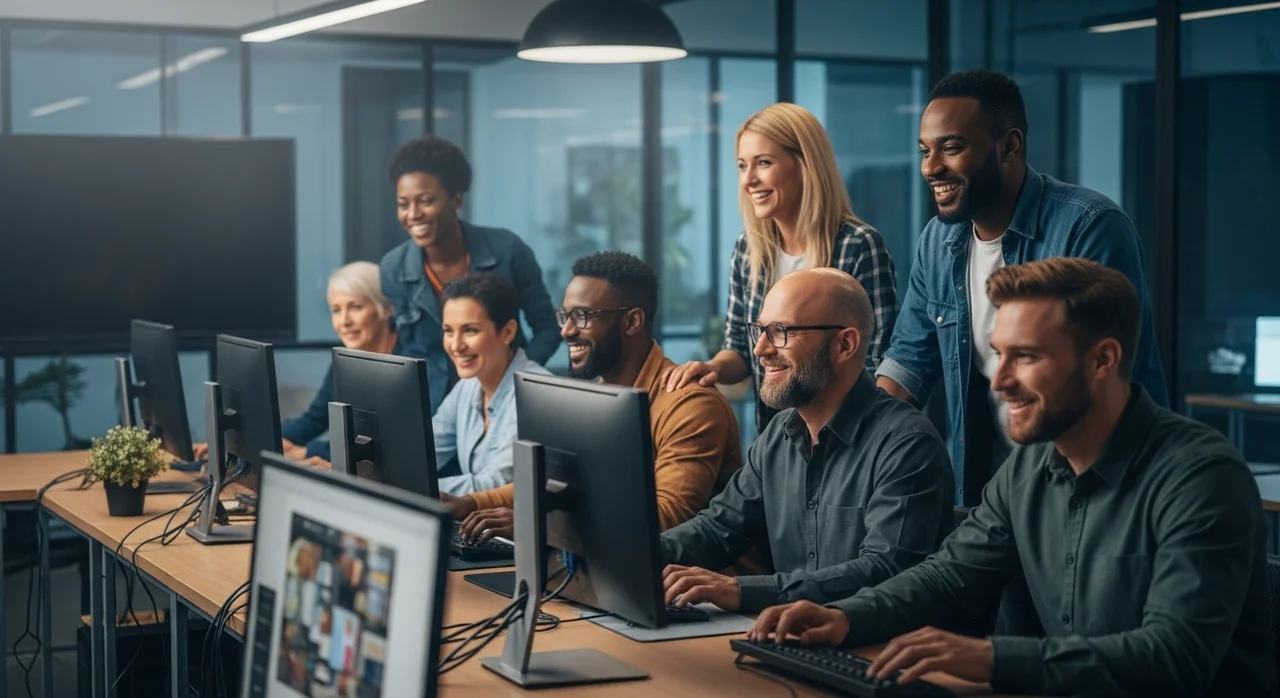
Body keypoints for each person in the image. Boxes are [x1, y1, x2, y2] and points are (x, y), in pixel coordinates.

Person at [749, 258, 1277, 698]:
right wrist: (843, 618)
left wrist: (993, 657)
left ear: (1103, 360)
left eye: (1025, 357)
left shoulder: (1201, 477)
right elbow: (947, 577)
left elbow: (1173, 658)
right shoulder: (1027, 468)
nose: (999, 382)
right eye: (999, 355)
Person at [875, 69, 1167, 506]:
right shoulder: (938, 241)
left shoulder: (1089, 227)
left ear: (1009, 145)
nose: (931, 168)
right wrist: (858, 444)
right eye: (925, 151)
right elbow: (909, 363)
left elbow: (1108, 380)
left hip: (1099, 488)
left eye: (951, 148)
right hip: (993, 492)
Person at [659, 268, 952, 614]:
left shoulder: (907, 444)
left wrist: (742, 591)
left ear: (845, 344)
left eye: (781, 332)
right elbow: (717, 529)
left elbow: (886, 572)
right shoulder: (778, 435)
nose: (760, 349)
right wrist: (628, 555)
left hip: (881, 653)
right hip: (793, 639)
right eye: (760, 331)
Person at [444, 251, 743, 542]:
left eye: (582, 316)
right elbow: (548, 484)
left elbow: (666, 518)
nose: (566, 331)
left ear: (632, 322)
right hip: (613, 573)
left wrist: (538, 524)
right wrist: (469, 503)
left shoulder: (691, 404)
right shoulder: (594, 399)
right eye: (564, 316)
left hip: (699, 583)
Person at [664, 102, 900, 433]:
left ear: (805, 165)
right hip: (774, 438)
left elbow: (878, 360)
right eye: (742, 166)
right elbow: (741, 350)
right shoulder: (748, 249)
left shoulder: (857, 245)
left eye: (763, 163)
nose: (749, 180)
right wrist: (712, 367)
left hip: (844, 436)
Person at [379, 135, 560, 415]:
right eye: (403, 204)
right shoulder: (394, 267)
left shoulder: (507, 250)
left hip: (508, 402)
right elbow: (406, 351)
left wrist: (515, 380)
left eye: (425, 201)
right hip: (433, 409)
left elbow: (547, 327)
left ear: (456, 200)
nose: (413, 214)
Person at [195, 261, 400, 465]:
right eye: (336, 310)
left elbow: (389, 446)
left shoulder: (411, 363)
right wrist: (248, 441)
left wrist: (306, 452)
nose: (344, 321)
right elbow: (313, 420)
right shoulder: (345, 362)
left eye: (356, 307)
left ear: (387, 308)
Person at [433, 273, 549, 495]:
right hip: (478, 523)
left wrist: (411, 487)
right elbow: (424, 451)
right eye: (448, 331)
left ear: (508, 332)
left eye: (470, 330)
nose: (456, 345)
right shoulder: (468, 386)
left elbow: (495, 483)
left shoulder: (536, 396)